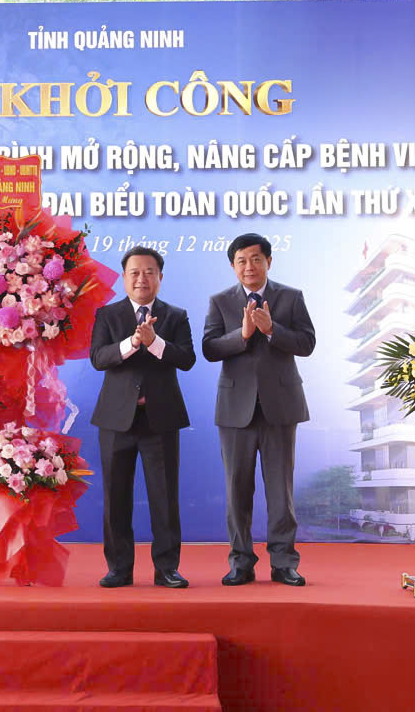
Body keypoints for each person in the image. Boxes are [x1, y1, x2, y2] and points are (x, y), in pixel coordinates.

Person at [202, 233, 315, 586]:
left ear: (268, 261)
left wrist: (271, 330)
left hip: (280, 408)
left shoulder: (291, 297)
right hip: (236, 410)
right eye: (241, 261)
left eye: (255, 259)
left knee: (281, 491)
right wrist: (244, 334)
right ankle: (241, 562)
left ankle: (284, 562)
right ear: (233, 266)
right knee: (237, 491)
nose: (249, 266)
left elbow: (307, 343)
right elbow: (209, 348)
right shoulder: (220, 301)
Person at [89, 246, 196, 588]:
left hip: (160, 420)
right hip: (116, 420)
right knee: (115, 498)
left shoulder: (176, 316)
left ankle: (167, 569)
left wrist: (155, 342)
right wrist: (133, 342)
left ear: (160, 277)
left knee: (164, 498)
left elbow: (187, 359)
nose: (142, 279)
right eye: (134, 272)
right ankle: (119, 568)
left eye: (149, 272)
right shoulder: (107, 315)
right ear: (124, 277)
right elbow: (98, 357)